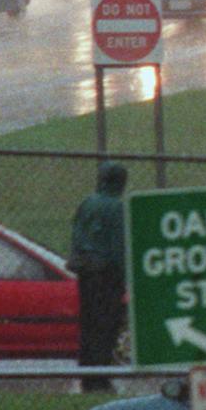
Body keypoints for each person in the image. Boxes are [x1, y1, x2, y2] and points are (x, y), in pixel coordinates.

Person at [71, 162, 129, 390]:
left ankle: (88, 376)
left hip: (85, 273)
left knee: (88, 325)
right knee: (107, 326)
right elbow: (118, 247)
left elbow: (76, 234)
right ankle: (101, 377)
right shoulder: (116, 208)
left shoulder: (87, 203)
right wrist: (124, 279)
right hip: (107, 275)